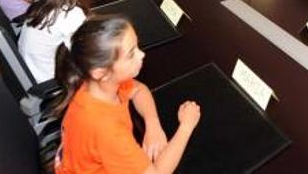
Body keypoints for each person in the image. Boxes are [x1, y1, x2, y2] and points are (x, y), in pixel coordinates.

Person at [55, 15, 201, 174]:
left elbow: (139, 90)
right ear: (101, 73)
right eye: (131, 54)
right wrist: (187, 125)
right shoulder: (107, 130)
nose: (142, 55)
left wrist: (152, 124)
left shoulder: (96, 85)